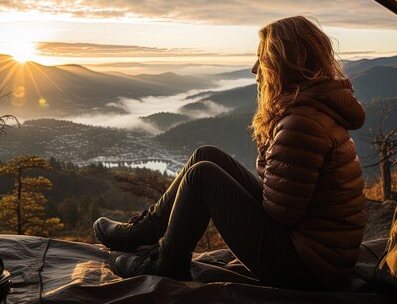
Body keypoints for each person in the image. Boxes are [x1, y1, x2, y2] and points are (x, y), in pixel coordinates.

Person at [93, 16, 366, 290]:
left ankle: (167, 262)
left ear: (285, 64)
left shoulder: (301, 124)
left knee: (202, 176)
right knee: (205, 155)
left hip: (304, 267)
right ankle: (142, 232)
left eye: (263, 58)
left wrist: (266, 144)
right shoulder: (312, 112)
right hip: (320, 256)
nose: (254, 69)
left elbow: (281, 213)